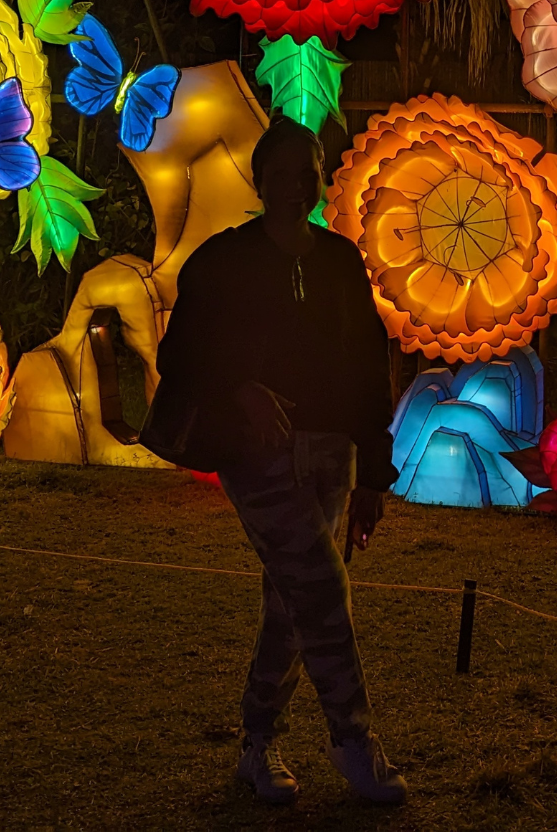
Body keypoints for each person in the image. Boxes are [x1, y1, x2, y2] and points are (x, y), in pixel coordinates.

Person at [146, 115, 407, 807]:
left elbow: (366, 367)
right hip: (255, 453)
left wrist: (374, 471)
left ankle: (256, 743)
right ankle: (353, 740)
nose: (297, 185)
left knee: (290, 608)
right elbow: (179, 357)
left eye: (308, 171)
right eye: (284, 172)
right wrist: (240, 389)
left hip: (331, 452)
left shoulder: (339, 261)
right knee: (320, 589)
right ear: (259, 181)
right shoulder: (222, 262)